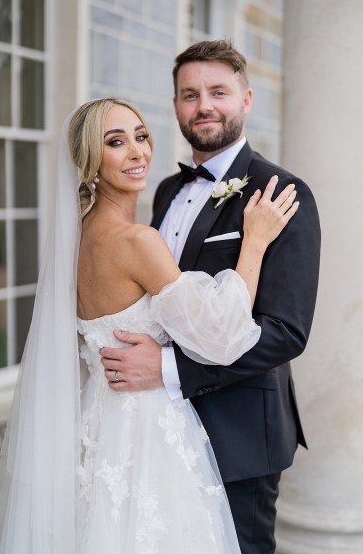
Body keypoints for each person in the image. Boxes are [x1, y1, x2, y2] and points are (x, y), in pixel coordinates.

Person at [0, 96, 298, 554]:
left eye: (141, 136)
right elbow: (220, 334)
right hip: (147, 431)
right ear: (90, 162)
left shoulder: (75, 241)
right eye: (116, 142)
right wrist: (253, 242)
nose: (137, 151)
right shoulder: (137, 241)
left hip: (97, 425)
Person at [100, 41, 321, 553]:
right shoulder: (164, 191)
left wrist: (168, 370)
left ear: (245, 99)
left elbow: (286, 331)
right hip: (158, 425)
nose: (204, 105)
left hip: (238, 432)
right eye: (189, 94)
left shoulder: (282, 192)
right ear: (175, 105)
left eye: (218, 91)